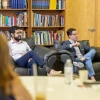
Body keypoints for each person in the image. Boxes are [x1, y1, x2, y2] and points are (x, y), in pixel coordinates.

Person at [0, 34, 32, 100]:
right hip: (17, 61)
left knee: (32, 60)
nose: (20, 34)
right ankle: (47, 69)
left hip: (26, 59)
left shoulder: (24, 43)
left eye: (20, 32)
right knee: (31, 53)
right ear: (12, 34)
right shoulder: (9, 44)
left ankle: (34, 79)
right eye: (18, 32)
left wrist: (27, 56)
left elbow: (30, 50)